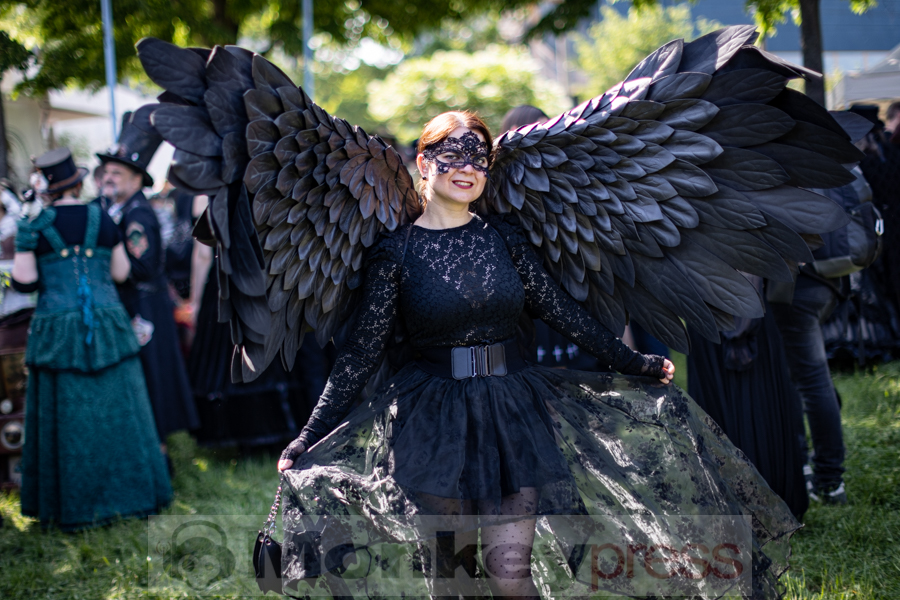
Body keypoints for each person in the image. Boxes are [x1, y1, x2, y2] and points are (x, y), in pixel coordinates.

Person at [275, 112, 798, 598]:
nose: (467, 169)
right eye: (453, 156)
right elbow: (360, 354)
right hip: (432, 424)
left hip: (511, 415)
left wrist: (633, 362)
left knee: (509, 576)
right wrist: (307, 436)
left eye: (479, 158)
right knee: (454, 579)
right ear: (424, 162)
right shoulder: (396, 252)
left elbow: (560, 310)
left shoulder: (504, 237)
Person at [12, 148, 171, 531]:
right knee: (121, 411)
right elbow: (120, 272)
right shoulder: (101, 218)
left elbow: (24, 280)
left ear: (45, 187)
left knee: (67, 416)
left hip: (57, 329)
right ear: (78, 183)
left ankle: (72, 505)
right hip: (108, 323)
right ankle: (133, 498)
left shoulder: (33, 226)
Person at [96, 107, 199, 448]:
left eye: (117, 172)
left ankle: (159, 453)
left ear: (136, 179)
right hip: (140, 304)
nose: (108, 178)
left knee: (152, 376)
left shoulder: (138, 214)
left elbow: (140, 267)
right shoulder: (119, 209)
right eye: (106, 172)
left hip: (145, 307)